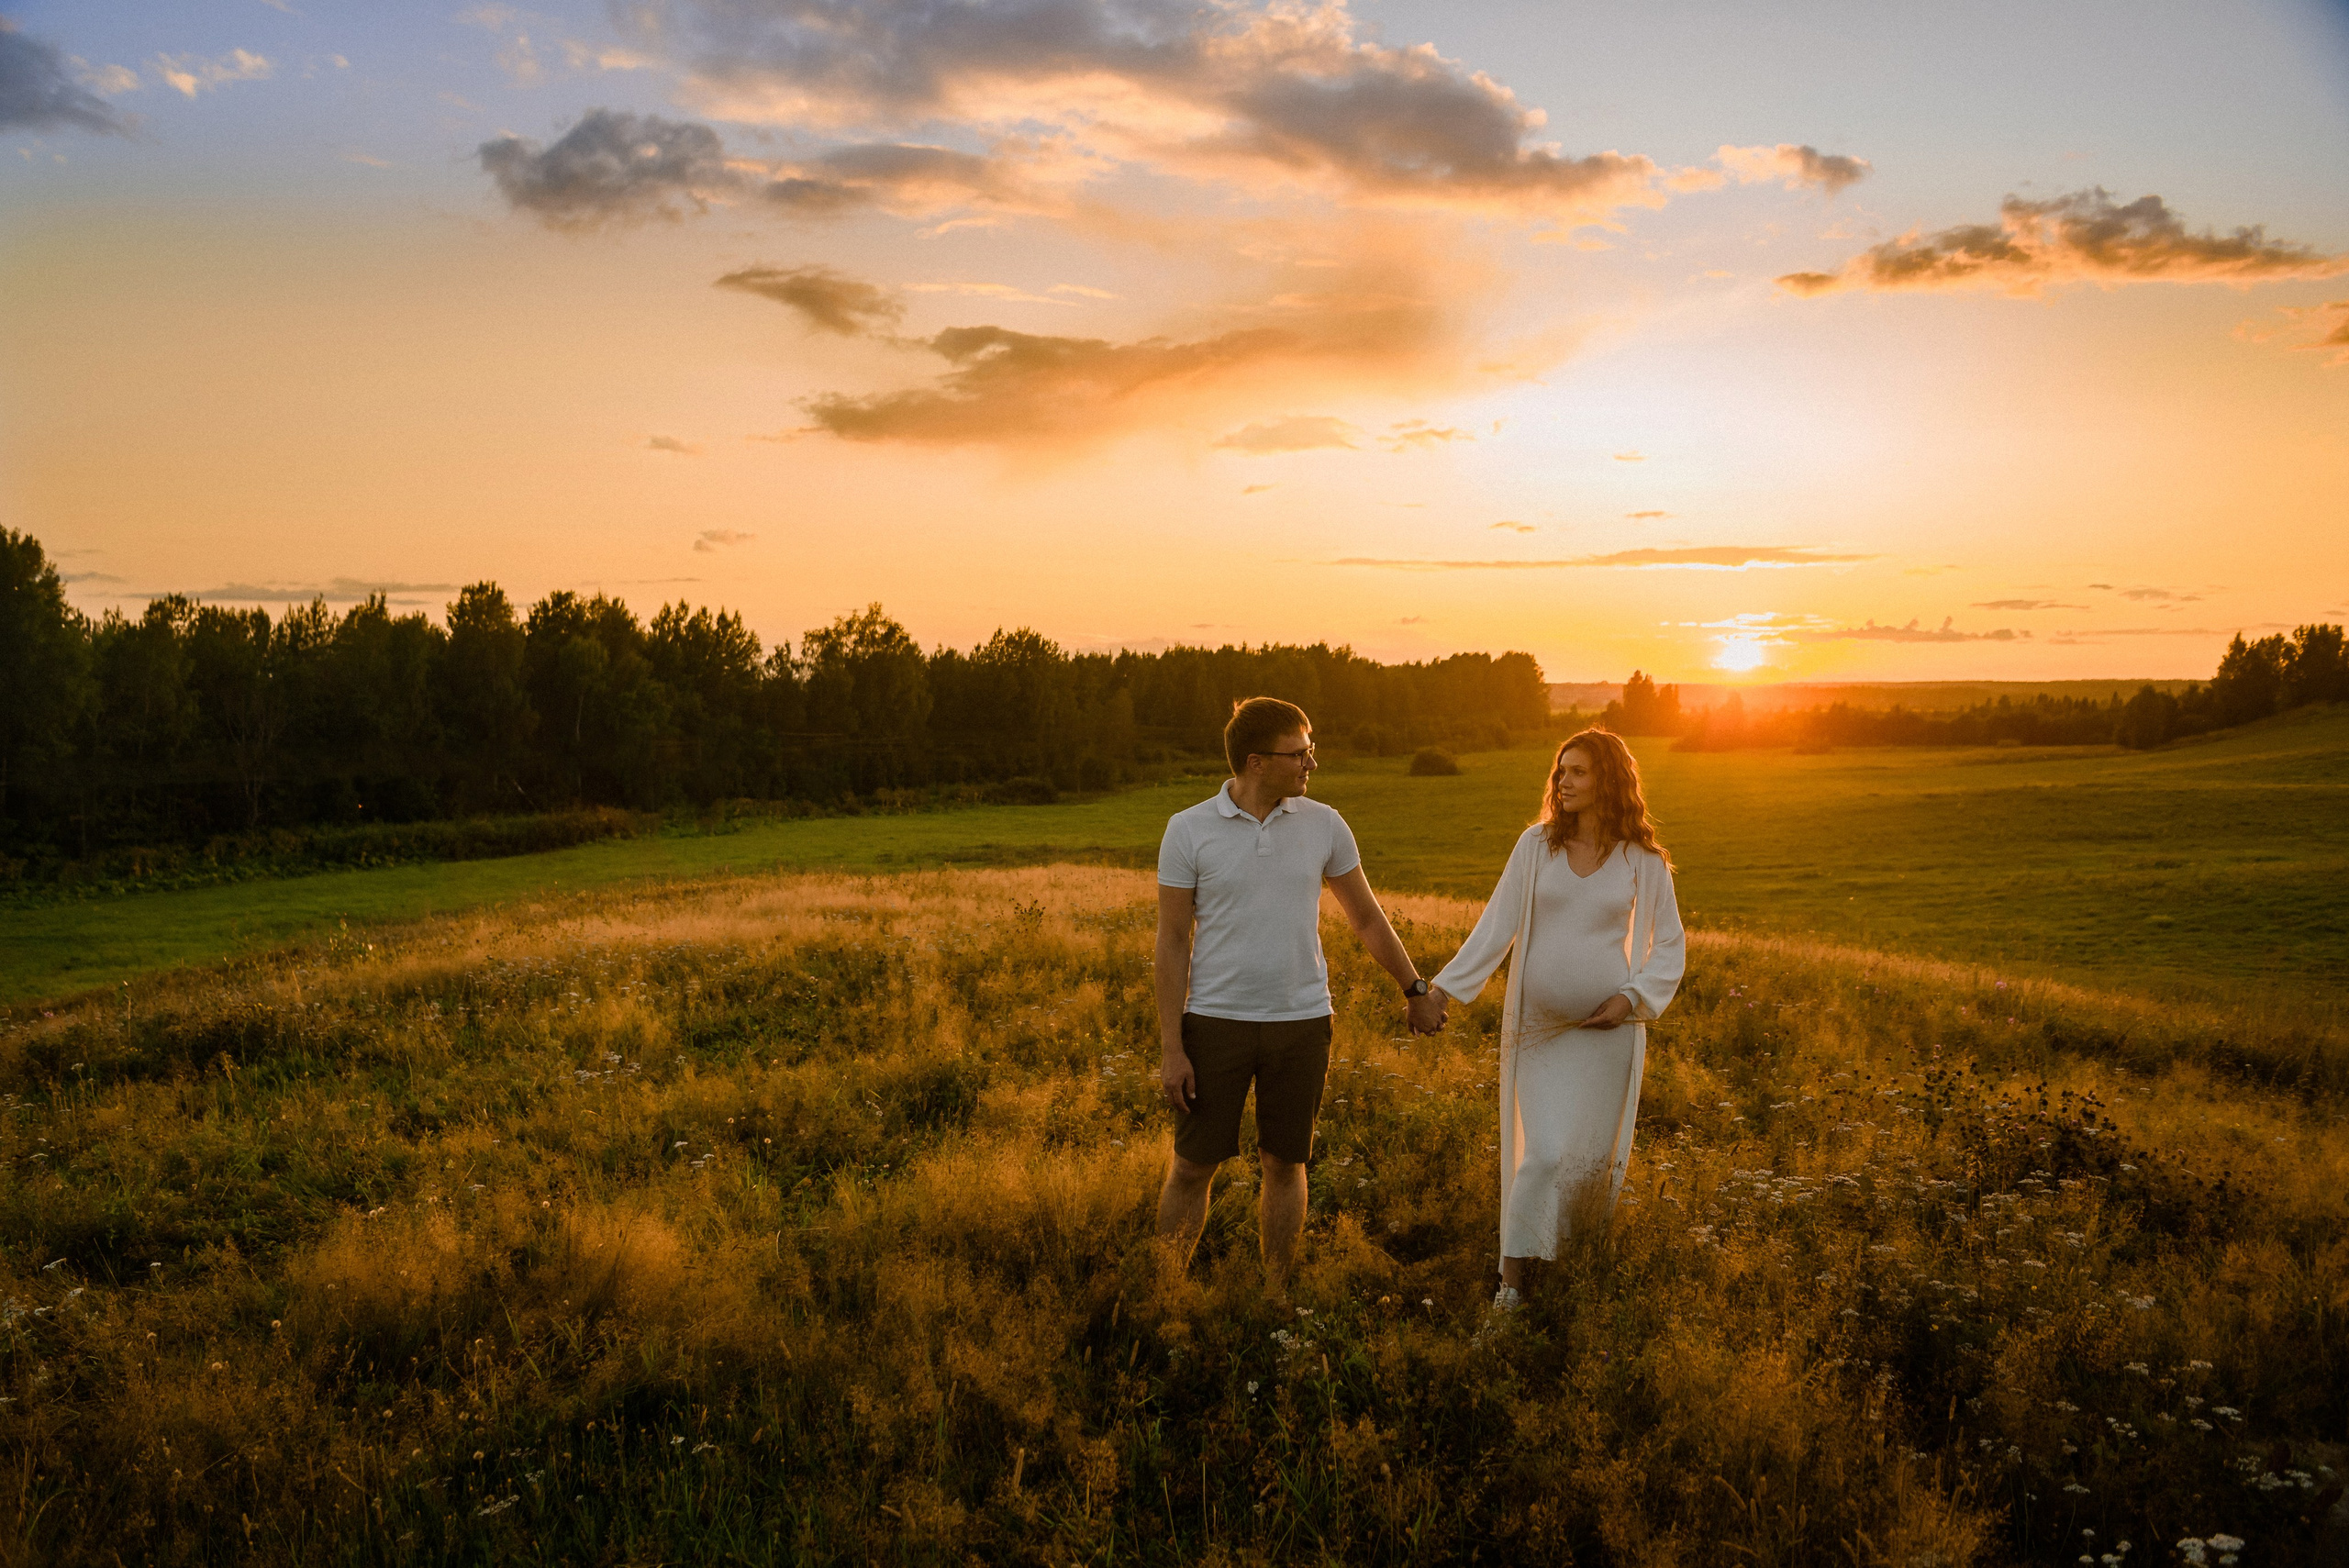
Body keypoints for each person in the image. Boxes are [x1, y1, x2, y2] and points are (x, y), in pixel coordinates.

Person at [1155, 696, 1444, 1291]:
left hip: (1303, 1022)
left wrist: (1414, 986)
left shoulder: (1325, 824)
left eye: (1310, 750)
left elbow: (1367, 917)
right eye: (1300, 753)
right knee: (1191, 1166)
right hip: (1214, 1023)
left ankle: (1277, 1294)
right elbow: (1172, 941)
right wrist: (1172, 1047)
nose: (1312, 763)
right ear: (1256, 762)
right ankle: (1164, 1293)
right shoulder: (1188, 829)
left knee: (1285, 1162)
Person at [1429, 728, 1685, 1316]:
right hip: (1539, 1034)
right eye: (1561, 771)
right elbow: (1496, 926)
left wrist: (1631, 999)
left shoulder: (1642, 861)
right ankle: (1511, 1289)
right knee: (1541, 1154)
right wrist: (1442, 992)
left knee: (1588, 1164)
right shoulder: (1536, 847)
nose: (1564, 782)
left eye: (1579, 772)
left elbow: (1669, 946)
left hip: (1606, 1038)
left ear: (1608, 781)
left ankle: (1571, 1282)